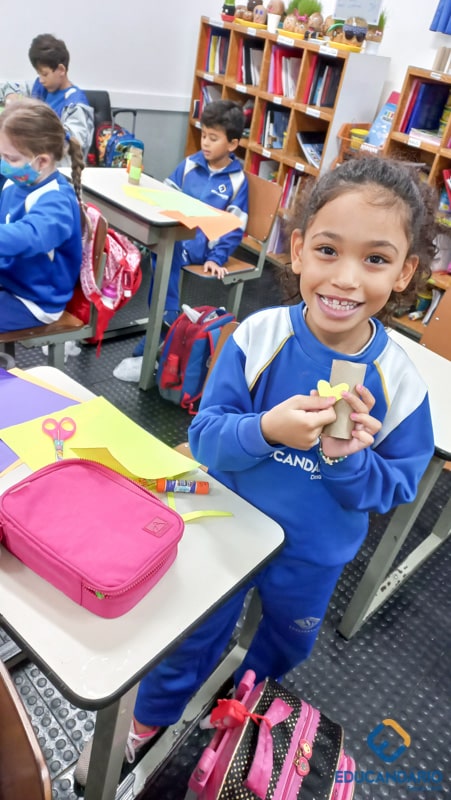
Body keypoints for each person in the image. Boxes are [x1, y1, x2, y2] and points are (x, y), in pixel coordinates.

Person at [75, 157, 437, 784]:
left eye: (376, 259)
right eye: (328, 250)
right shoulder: (259, 336)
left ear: (404, 272)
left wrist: (349, 463)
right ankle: (148, 720)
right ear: (297, 250)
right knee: (192, 635)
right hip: (229, 528)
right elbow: (206, 438)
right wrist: (266, 429)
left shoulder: (401, 382)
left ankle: (240, 708)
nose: (346, 278)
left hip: (313, 553)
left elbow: (398, 485)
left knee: (288, 642)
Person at [113, 99, 249, 381]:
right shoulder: (189, 165)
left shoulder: (237, 181)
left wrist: (217, 257)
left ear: (233, 144)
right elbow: (165, 194)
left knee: (165, 250)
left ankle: (166, 318)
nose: (205, 143)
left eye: (213, 138)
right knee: (159, 246)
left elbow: (235, 225)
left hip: (202, 248)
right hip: (178, 238)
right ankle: (166, 317)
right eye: (204, 135)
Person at [0, 99, 85, 331]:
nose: (3, 164)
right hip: (9, 279)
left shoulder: (57, 200)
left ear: (42, 161)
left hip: (34, 300)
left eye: (10, 159)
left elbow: (29, 236)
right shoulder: (14, 182)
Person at [0, 34, 94, 165]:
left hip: (56, 167)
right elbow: (9, 86)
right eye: (38, 74)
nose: (41, 79)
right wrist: (11, 97)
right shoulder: (40, 87)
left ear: (61, 70)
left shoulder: (75, 105)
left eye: (44, 74)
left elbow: (72, 145)